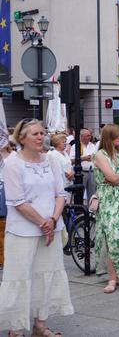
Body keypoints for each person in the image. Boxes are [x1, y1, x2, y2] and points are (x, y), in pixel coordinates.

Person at [0, 119, 74, 336]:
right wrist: (43, 224)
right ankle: (15, 328)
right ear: (22, 138)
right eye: (35, 134)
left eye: (42, 133)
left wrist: (52, 220)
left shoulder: (50, 159)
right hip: (23, 231)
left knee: (47, 276)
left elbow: (60, 194)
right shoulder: (13, 163)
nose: (41, 137)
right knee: (20, 277)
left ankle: (40, 325)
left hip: (51, 227)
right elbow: (17, 201)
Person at [93, 124, 119, 294]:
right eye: (118, 136)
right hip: (108, 200)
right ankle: (111, 277)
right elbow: (109, 177)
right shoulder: (100, 155)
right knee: (112, 239)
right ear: (109, 137)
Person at [70, 128, 98, 201]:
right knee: (80, 193)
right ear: (82, 136)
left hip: (92, 172)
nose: (90, 137)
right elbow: (71, 160)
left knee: (92, 194)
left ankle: (90, 210)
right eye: (88, 135)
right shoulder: (76, 146)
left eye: (90, 135)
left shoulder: (93, 146)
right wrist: (83, 158)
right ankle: (79, 210)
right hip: (82, 172)